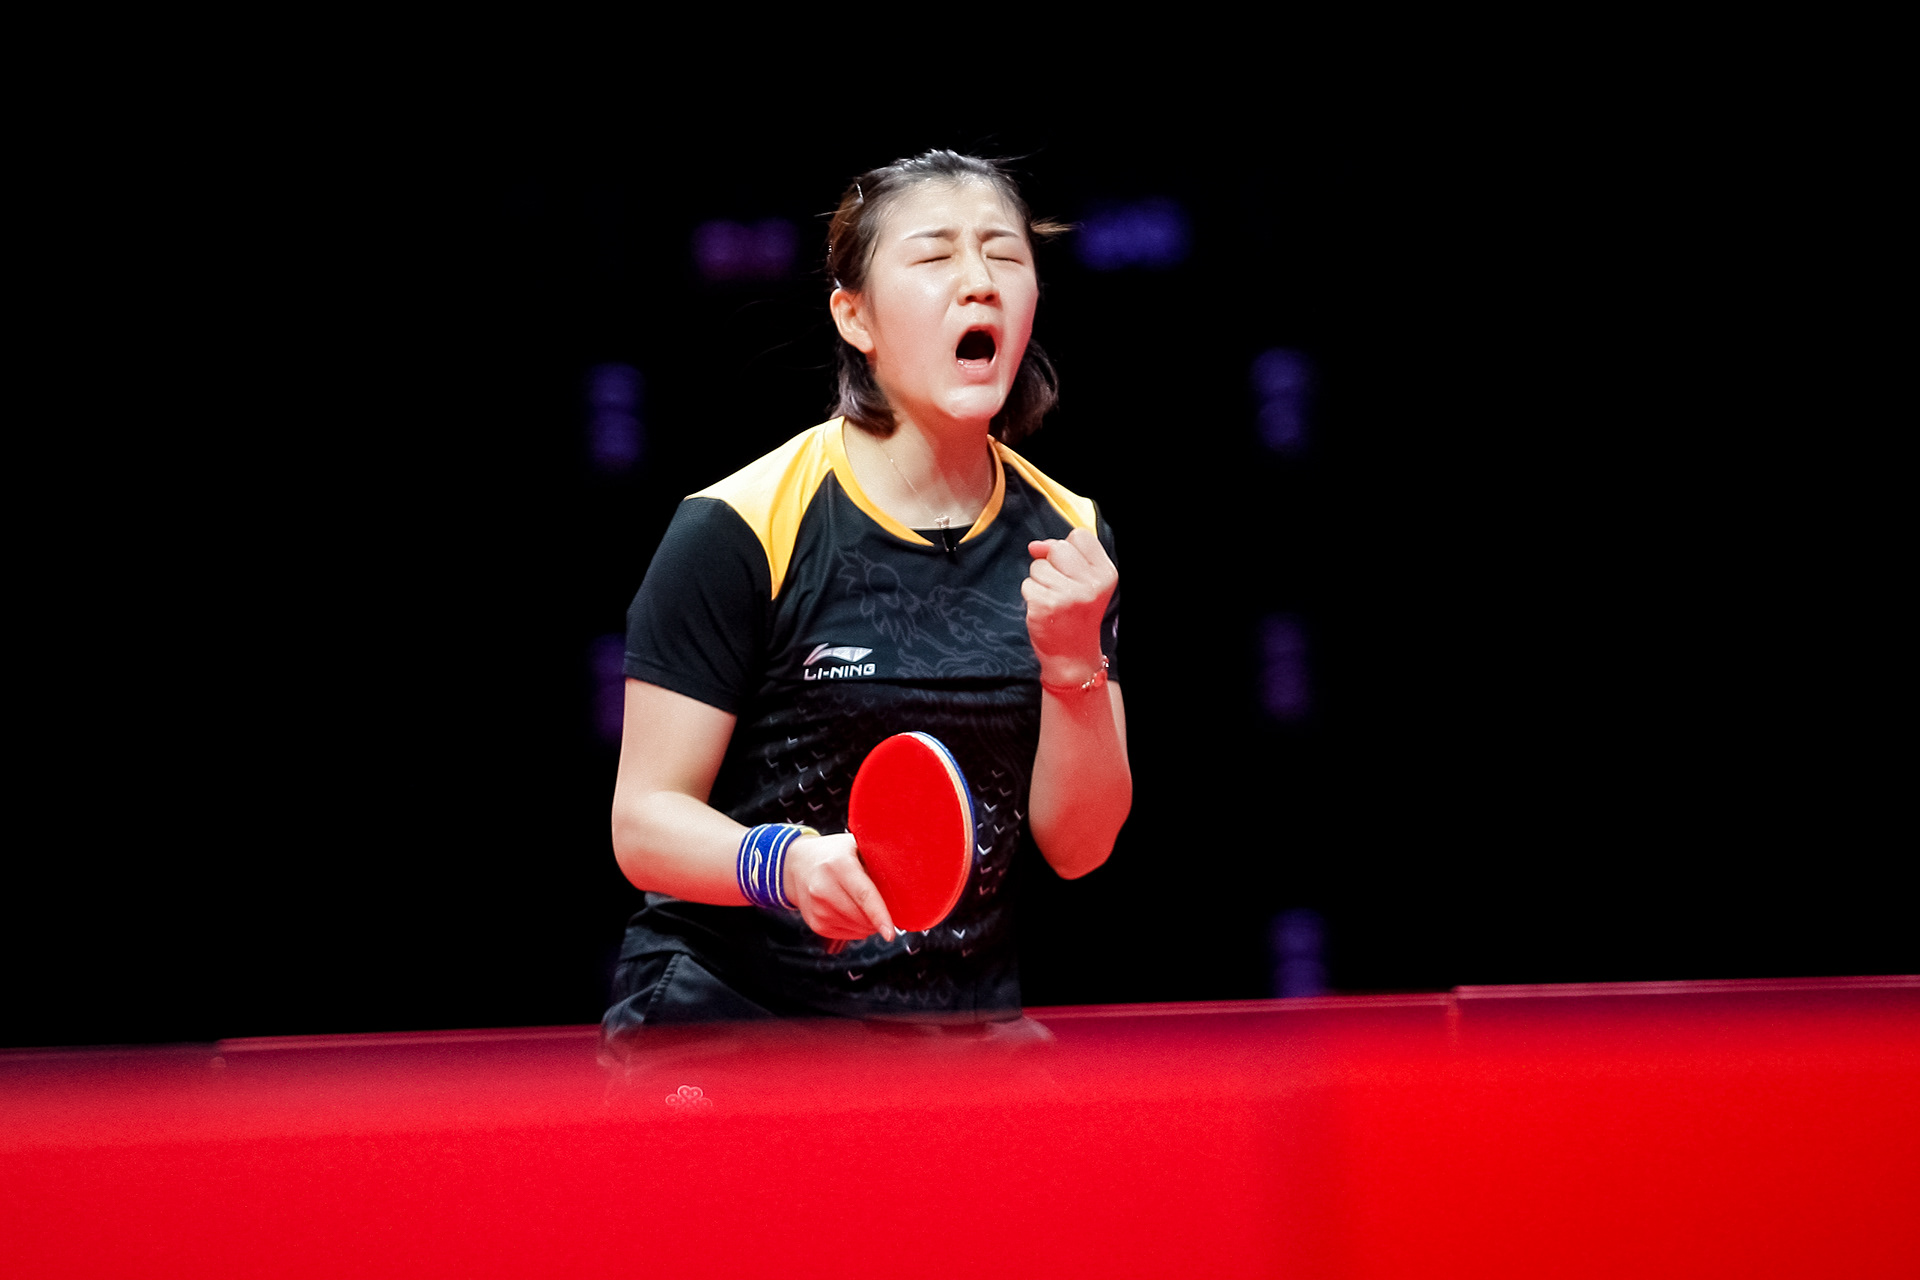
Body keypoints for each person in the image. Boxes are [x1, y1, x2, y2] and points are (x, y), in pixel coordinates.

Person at [604, 150, 1129, 1034]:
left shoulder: (1070, 535)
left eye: (1004, 255)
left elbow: (1078, 849)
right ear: (855, 316)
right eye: (935, 256)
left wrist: (1074, 660)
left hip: (953, 1034)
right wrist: (784, 864)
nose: (979, 282)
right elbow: (643, 823)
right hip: (736, 1018)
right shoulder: (741, 525)